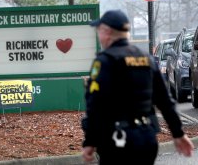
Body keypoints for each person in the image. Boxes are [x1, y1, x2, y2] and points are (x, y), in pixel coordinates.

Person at [81, 10, 194, 165]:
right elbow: (164, 101)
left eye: (99, 30)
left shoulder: (105, 61)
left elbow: (95, 104)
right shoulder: (146, 59)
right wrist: (178, 133)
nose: (99, 35)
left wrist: (90, 141)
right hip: (147, 139)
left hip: (117, 141)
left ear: (107, 32)